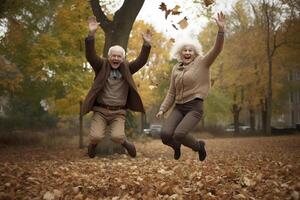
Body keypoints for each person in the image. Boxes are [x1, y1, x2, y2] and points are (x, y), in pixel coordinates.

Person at [156, 12, 225, 161]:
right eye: (184, 50)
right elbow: (171, 92)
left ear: (194, 52)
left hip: (194, 107)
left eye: (190, 50)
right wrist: (163, 109)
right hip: (179, 107)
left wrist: (221, 31)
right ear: (180, 53)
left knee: (179, 134)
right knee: (165, 135)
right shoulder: (176, 68)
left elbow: (217, 50)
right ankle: (176, 146)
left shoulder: (202, 63)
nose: (187, 52)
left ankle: (199, 146)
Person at [82, 16, 152, 158]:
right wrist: (91, 34)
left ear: (123, 58)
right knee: (95, 136)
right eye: (113, 56)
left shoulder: (127, 68)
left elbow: (140, 61)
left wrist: (146, 45)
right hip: (101, 110)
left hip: (118, 112)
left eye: (119, 56)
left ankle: (126, 144)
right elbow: (90, 56)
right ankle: (93, 145)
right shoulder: (101, 66)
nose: (115, 58)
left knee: (117, 137)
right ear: (108, 57)